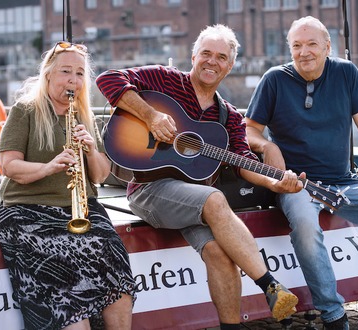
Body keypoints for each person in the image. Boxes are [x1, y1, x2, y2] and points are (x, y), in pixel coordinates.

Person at [96, 24, 303, 329]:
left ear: (229, 66)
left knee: (220, 252)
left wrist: (275, 182)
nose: (211, 61)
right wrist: (150, 115)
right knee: (215, 198)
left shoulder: (230, 116)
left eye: (221, 57)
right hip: (150, 189)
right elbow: (107, 79)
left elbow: (244, 162)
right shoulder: (164, 80)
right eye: (206, 53)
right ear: (193, 56)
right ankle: (270, 285)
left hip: (196, 200)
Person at [245, 16, 358, 330]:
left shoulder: (346, 73)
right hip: (296, 184)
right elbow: (249, 131)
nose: (304, 52)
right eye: (296, 46)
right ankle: (333, 316)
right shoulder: (274, 79)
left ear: (327, 46)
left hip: (344, 182)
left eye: (312, 44)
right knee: (303, 223)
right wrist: (268, 147)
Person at [0, 41, 136, 330]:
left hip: (81, 209)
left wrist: (90, 150)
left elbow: (98, 175)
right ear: (48, 74)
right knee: (65, 289)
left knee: (119, 279)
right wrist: (48, 167)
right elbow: (8, 166)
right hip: (28, 213)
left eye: (80, 73)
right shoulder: (25, 111)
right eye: (65, 72)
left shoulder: (84, 116)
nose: (73, 81)